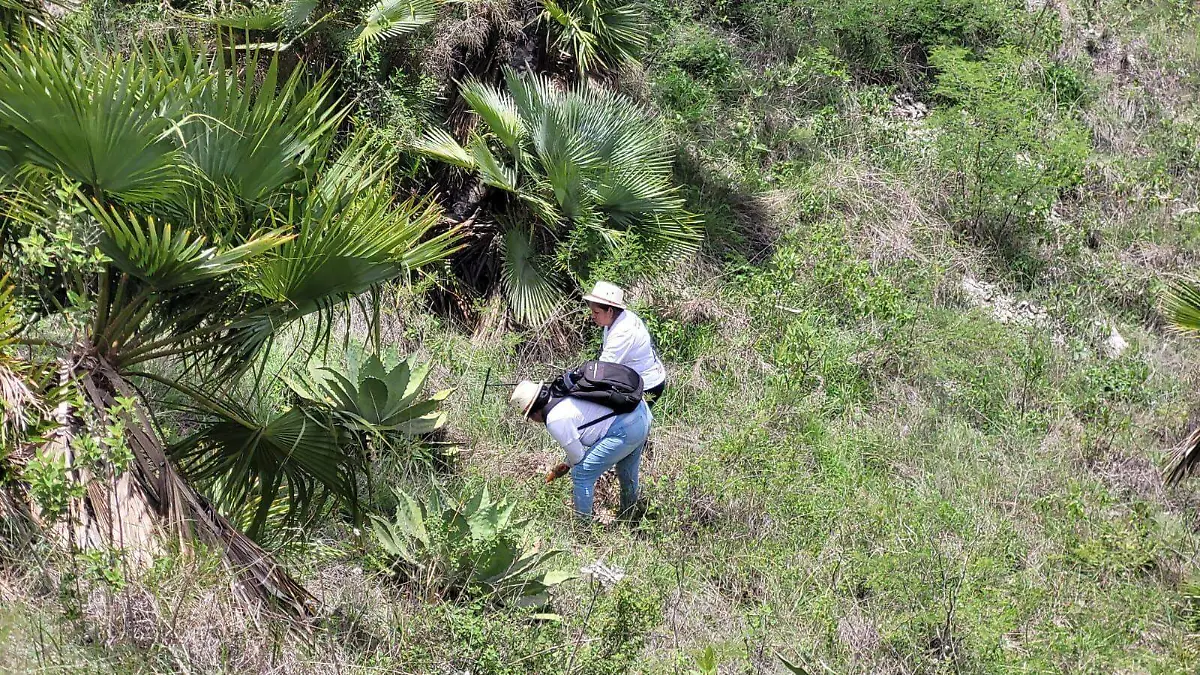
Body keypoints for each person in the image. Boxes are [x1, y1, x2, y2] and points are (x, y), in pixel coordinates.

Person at [510, 379, 651, 518]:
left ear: (533, 412)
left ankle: (583, 530)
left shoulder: (554, 419)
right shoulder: (562, 393)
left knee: (581, 474)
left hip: (626, 430)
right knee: (627, 472)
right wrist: (567, 463)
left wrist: (570, 463)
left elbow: (578, 457)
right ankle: (630, 516)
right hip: (640, 414)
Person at [583, 281, 667, 407]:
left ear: (610, 311)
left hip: (647, 385)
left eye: (596, 312)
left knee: (627, 423)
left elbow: (603, 369)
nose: (592, 316)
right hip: (636, 379)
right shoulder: (617, 319)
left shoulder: (623, 331)